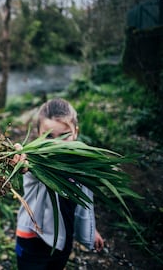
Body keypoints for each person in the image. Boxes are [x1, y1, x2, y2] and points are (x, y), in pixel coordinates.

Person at [13, 98, 104, 270]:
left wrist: (92, 229)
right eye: (48, 136)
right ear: (38, 135)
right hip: (32, 239)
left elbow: (84, 203)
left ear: (75, 132)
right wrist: (18, 157)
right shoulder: (35, 162)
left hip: (64, 239)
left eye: (64, 136)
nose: (56, 143)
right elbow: (25, 165)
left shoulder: (83, 162)